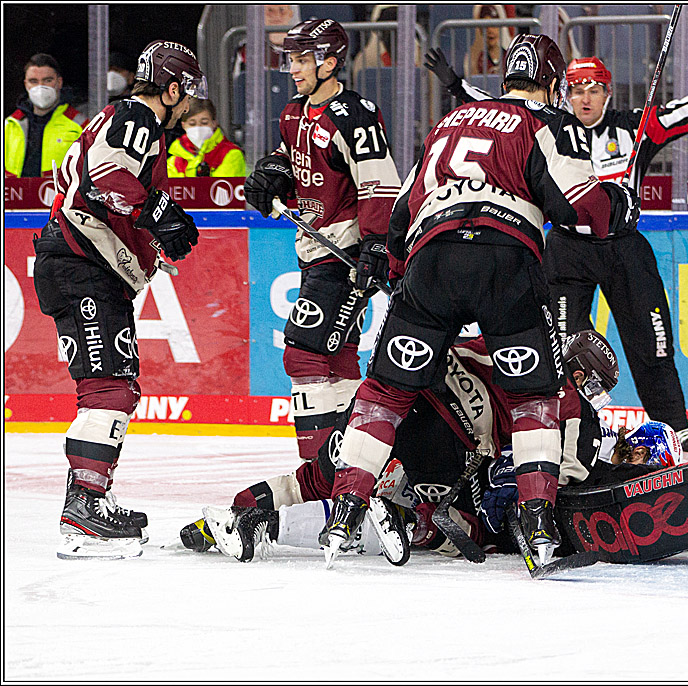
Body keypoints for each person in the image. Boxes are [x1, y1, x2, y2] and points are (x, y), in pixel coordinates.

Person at [320, 33, 640, 566]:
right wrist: (619, 205)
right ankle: (537, 521)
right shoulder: (546, 125)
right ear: (555, 84)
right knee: (533, 397)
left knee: (385, 392)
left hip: (432, 259)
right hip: (504, 261)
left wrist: (399, 274)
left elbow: (402, 212)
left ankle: (347, 509)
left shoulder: (450, 121)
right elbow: (578, 206)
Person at [424, 48, 688, 458]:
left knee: (652, 343)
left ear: (608, 94)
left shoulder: (633, 127)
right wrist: (457, 86)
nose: (585, 98)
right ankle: (570, 422)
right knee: (563, 343)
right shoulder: (550, 128)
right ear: (564, 92)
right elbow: (499, 111)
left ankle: (674, 426)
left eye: (594, 90)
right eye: (577, 89)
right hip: (568, 248)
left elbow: (677, 113)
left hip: (623, 248)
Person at [188, 329, 625, 562]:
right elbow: (565, 478)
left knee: (319, 477)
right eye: (598, 387)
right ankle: (405, 517)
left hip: (391, 398)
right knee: (454, 525)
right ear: (583, 375)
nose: (596, 397)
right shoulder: (574, 406)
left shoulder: (513, 334)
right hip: (449, 438)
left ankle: (237, 512)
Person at [33, 41, 205, 559]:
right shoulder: (137, 117)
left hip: (84, 266)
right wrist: (160, 213)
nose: (189, 107)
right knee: (108, 387)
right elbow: (105, 177)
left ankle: (89, 499)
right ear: (171, 89)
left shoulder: (120, 118)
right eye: (187, 93)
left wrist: (155, 230)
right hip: (81, 266)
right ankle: (84, 505)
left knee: (117, 387)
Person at [243, 19, 402, 479]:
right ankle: (356, 459)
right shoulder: (293, 112)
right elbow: (294, 159)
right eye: (289, 59)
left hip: (347, 252)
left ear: (329, 62)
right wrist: (272, 172)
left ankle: (319, 469)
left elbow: (378, 183)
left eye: (300, 59)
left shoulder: (356, 115)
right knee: (337, 354)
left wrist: (376, 246)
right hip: (312, 248)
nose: (292, 68)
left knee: (304, 349)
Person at [4, 53, 86, 178]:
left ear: (59, 82)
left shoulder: (79, 124)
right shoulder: (11, 125)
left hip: (59, 195)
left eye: (47, 80)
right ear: (26, 84)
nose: (40, 87)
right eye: (33, 81)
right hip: (17, 195)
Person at [166, 99, 246, 177]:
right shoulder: (174, 160)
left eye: (204, 123)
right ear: (183, 125)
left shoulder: (231, 154)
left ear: (214, 123)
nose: (198, 128)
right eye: (192, 124)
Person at [464, 5, 512, 76]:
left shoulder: (509, 57)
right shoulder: (477, 60)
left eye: (494, 25)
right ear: (480, 30)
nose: (490, 31)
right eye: (486, 27)